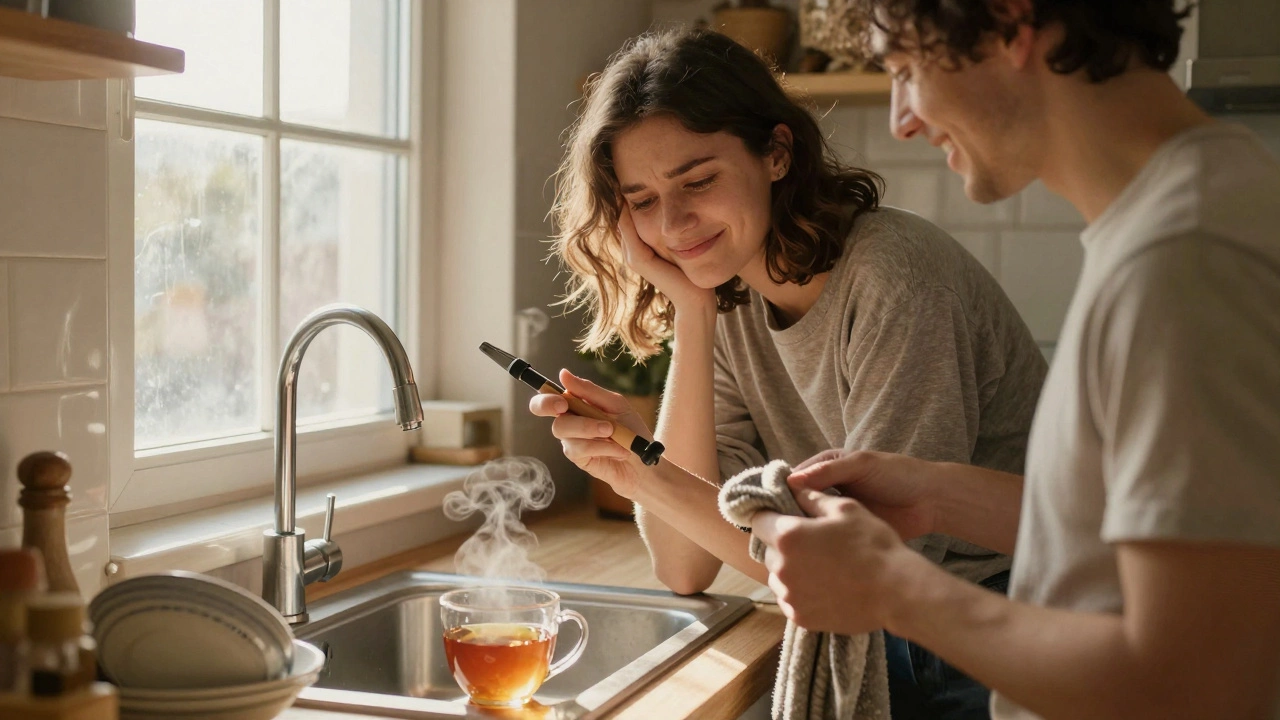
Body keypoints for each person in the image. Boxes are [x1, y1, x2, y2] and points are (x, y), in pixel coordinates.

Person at [749, 1, 1280, 719]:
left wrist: (892, 589)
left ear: (1008, 22)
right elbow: (1137, 541)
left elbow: (1193, 682)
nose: (903, 117)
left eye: (907, 70)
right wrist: (936, 495)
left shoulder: (1184, 262)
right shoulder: (1180, 219)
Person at [533, 26, 1047, 718]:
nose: (675, 222)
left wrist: (639, 470)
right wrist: (691, 310)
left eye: (699, 180)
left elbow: (863, 569)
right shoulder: (729, 299)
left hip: (1001, 632)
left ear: (777, 153)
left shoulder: (895, 281)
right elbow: (684, 566)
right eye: (644, 200)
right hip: (900, 631)